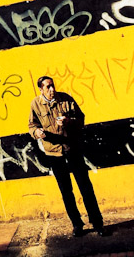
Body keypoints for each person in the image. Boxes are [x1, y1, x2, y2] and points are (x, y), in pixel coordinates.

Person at [28, 75, 108, 237]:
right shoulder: (35, 104)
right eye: (48, 87)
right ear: (41, 89)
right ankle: (77, 224)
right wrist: (37, 132)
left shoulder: (65, 99)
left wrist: (68, 121)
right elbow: (32, 126)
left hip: (72, 149)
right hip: (54, 153)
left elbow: (81, 119)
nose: (52, 89)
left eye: (52, 86)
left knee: (85, 187)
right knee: (66, 191)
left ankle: (97, 223)